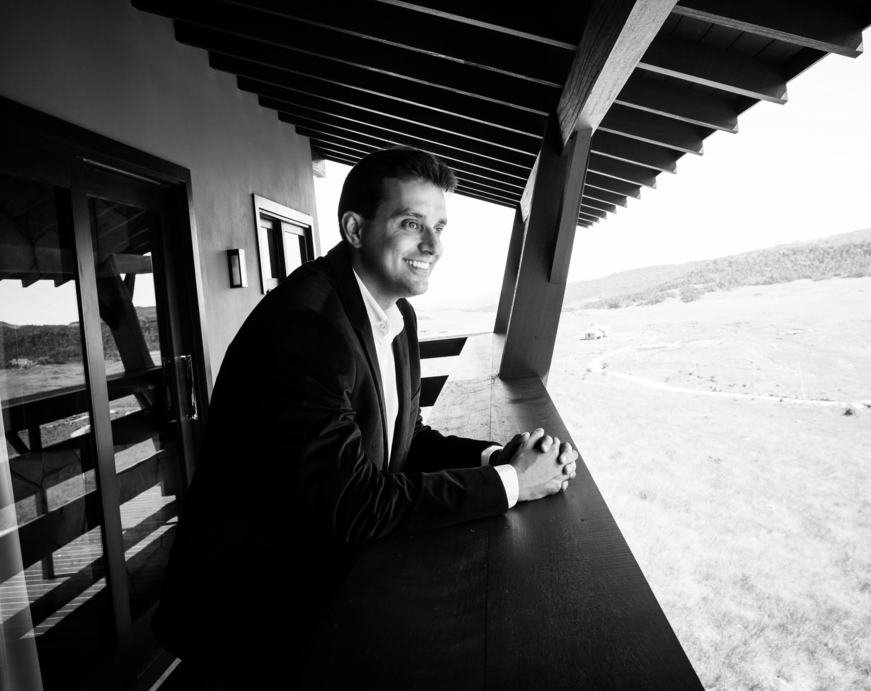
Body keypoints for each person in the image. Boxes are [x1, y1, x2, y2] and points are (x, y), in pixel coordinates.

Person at [152, 146, 578, 685]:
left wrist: (499, 458)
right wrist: (512, 485)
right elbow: (355, 504)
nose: (433, 245)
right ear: (355, 228)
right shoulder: (305, 328)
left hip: (320, 586)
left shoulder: (395, 315)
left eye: (439, 226)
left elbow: (405, 439)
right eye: (411, 223)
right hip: (252, 617)